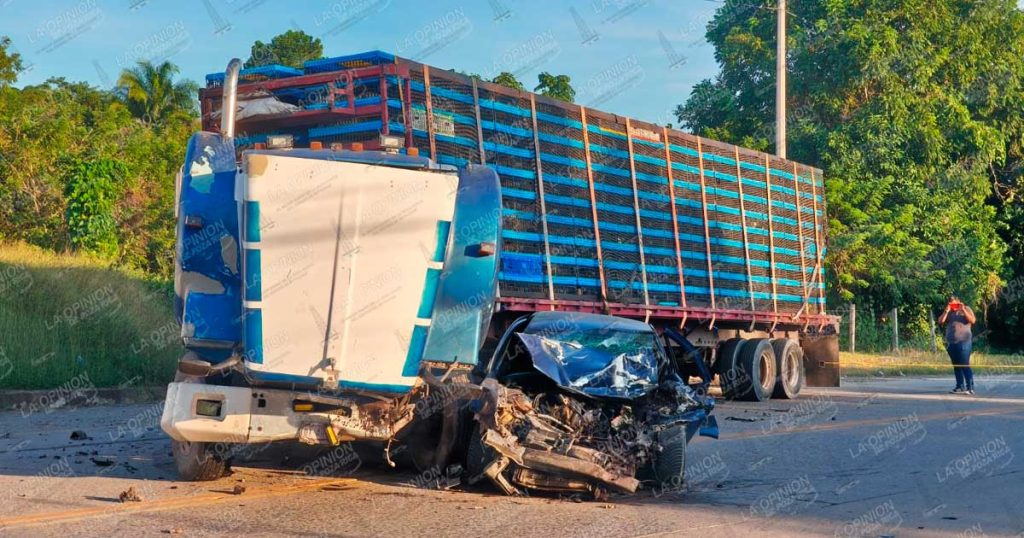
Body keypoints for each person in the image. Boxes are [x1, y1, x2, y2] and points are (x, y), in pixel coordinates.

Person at [937, 295, 976, 395]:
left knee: (964, 363)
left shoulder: (966, 308)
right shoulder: (949, 311)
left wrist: (963, 310)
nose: (953, 305)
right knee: (956, 365)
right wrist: (946, 311)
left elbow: (973, 321)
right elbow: (940, 321)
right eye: (951, 303)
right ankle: (960, 386)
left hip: (964, 341)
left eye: (955, 303)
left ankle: (970, 387)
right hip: (951, 342)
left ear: (959, 301)